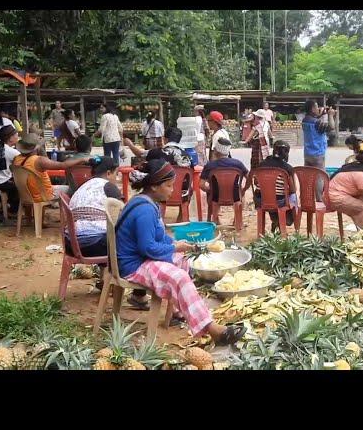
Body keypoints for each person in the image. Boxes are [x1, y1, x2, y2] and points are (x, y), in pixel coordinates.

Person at [115, 159, 246, 345]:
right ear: (153, 186)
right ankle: (212, 329)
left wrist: (175, 243)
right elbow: (148, 248)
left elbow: (157, 237)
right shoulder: (144, 210)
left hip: (142, 258)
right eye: (168, 186)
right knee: (180, 277)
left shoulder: (147, 202)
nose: (171, 190)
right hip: (134, 265)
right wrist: (174, 247)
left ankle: (179, 311)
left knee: (183, 261)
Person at [67, 156, 122, 257]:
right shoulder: (109, 186)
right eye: (116, 174)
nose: (117, 178)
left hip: (70, 244)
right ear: (109, 173)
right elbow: (124, 213)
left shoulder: (82, 187)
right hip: (94, 245)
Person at [12, 133, 88, 202]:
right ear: (36, 148)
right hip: (42, 195)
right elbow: (63, 165)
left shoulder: (16, 159)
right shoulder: (39, 161)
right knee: (72, 190)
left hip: (25, 195)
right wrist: (82, 159)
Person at [328, 149, 363, 229]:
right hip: (334, 196)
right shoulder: (361, 175)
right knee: (362, 208)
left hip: (337, 194)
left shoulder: (356, 167)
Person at [250, 140, 298, 232]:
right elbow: (293, 190)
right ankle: (286, 221)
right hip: (279, 201)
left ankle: (276, 221)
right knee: (292, 196)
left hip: (260, 201)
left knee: (271, 197)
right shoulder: (287, 168)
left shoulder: (261, 165)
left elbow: (256, 182)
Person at [200, 138, 249, 224]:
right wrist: (243, 189)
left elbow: (201, 185)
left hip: (216, 196)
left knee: (210, 191)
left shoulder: (210, 165)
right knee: (240, 191)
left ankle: (215, 220)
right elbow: (249, 177)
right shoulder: (238, 164)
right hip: (235, 196)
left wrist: (210, 190)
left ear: (216, 151)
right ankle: (237, 220)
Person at [0, 125, 21, 215]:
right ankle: (13, 211)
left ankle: (6, 206)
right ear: (10, 138)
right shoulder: (11, 151)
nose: (18, 137)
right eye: (16, 135)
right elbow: (25, 162)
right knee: (20, 187)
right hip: (0, 183)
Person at [302, 100, 330, 202]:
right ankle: (319, 200)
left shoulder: (305, 120)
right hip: (318, 154)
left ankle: (307, 199)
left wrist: (320, 114)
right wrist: (328, 115)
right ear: (313, 108)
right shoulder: (317, 122)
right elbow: (330, 127)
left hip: (308, 153)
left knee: (309, 177)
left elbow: (314, 121)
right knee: (319, 177)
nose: (318, 108)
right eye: (317, 106)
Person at [124, 127, 192, 168]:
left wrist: (130, 144)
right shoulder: (188, 156)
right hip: (183, 190)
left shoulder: (157, 152)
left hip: (163, 189)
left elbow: (139, 154)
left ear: (165, 139)